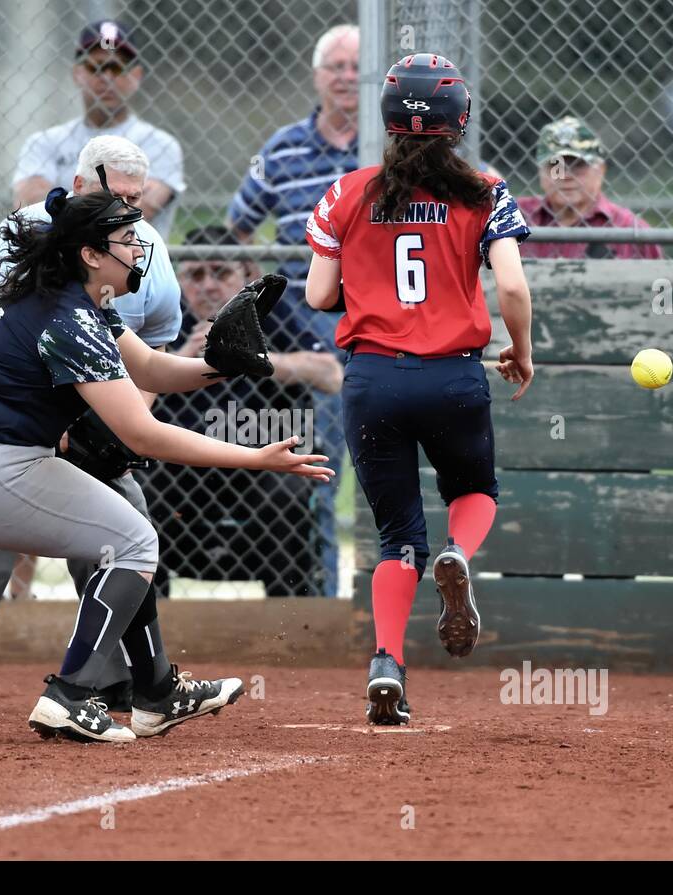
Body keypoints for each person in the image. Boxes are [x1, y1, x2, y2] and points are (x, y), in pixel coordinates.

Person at [0, 184, 331, 743]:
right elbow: (141, 433)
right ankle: (72, 695)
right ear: (90, 254)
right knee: (134, 541)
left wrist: (221, 365)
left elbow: (151, 369)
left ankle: (154, 692)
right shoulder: (69, 317)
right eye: (126, 240)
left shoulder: (66, 298)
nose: (138, 249)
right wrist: (254, 457)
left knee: (123, 530)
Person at [0, 136, 182, 715]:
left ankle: (110, 676)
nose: (125, 212)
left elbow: (154, 351)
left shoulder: (146, 255)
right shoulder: (32, 232)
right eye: (111, 195)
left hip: (93, 407)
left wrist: (125, 422)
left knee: (124, 514)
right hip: (0, 407)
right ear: (77, 188)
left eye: (136, 201)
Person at [304, 53, 533, 725]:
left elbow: (319, 292)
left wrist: (371, 285)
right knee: (473, 491)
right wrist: (519, 350)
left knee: (397, 535)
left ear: (386, 117)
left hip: (373, 379)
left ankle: (385, 663)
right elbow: (513, 285)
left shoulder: (347, 192)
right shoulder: (484, 190)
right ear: (458, 119)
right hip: (452, 374)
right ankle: (459, 553)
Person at [227, 22, 360, 597]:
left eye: (357, 66)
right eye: (336, 66)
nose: (347, 77)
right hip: (308, 325)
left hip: (386, 321)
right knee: (321, 473)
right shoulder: (281, 148)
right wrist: (264, 289)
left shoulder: (393, 148)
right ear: (317, 77)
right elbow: (236, 226)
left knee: (394, 470)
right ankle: (328, 606)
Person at [150, 225, 342, 595]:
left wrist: (256, 359)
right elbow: (134, 397)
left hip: (259, 454)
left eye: (221, 272)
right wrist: (186, 358)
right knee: (143, 492)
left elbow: (330, 375)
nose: (208, 286)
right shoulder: (168, 318)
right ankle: (149, 624)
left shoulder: (266, 310)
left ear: (244, 274)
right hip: (182, 462)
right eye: (195, 275)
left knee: (286, 493)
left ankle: (290, 619)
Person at [11, 20, 184, 236]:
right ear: (77, 74)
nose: (107, 78)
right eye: (97, 67)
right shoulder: (44, 142)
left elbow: (140, 210)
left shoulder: (160, 144)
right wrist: (111, 202)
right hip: (58, 265)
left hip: (138, 264)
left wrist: (61, 203)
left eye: (118, 67)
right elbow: (32, 206)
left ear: (136, 76)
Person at [515, 116, 662, 260]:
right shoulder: (514, 216)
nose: (565, 175)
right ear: (541, 172)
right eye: (555, 165)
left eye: (578, 165)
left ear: (600, 170)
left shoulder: (630, 229)